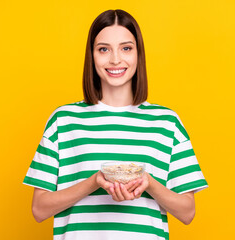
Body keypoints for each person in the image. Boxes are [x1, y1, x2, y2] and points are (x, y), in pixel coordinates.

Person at [23, 9, 208, 240]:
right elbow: (39, 209)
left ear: (138, 54)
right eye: (103, 49)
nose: (115, 59)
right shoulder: (63, 120)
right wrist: (94, 181)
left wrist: (148, 183)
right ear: (92, 56)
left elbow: (187, 212)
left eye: (126, 48)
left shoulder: (167, 123)